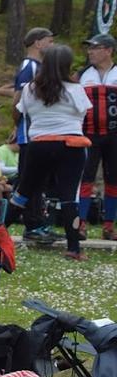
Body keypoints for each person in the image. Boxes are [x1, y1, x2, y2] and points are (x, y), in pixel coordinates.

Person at [11, 44, 92, 260]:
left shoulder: (30, 89)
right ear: (67, 65)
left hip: (39, 145)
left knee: (23, 193)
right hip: (71, 146)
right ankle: (73, 248)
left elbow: (20, 111)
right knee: (69, 197)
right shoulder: (76, 89)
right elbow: (84, 113)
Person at [1, 27, 55, 235]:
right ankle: (31, 223)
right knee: (29, 179)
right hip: (30, 132)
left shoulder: (41, 66)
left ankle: (35, 221)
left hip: (39, 132)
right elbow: (18, 98)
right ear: (37, 43)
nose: (52, 46)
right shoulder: (29, 66)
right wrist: (18, 123)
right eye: (49, 41)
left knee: (36, 179)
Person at [77, 33, 117, 240]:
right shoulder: (83, 74)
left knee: (114, 180)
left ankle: (109, 226)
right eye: (89, 48)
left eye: (95, 48)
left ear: (108, 50)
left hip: (114, 136)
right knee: (85, 178)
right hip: (88, 134)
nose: (90, 52)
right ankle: (81, 224)